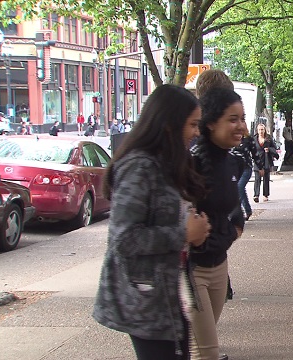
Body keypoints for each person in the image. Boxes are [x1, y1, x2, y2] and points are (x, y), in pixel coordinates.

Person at [93, 84, 211, 360]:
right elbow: (124, 239)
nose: (196, 132)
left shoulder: (164, 163)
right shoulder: (139, 167)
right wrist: (183, 232)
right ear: (169, 124)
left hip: (164, 294)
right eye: (192, 124)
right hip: (144, 298)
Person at [189, 87, 246, 360]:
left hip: (219, 266)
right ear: (211, 123)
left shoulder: (232, 162)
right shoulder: (191, 164)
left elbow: (231, 210)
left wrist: (234, 229)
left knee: (201, 348)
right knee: (205, 352)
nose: (241, 126)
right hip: (192, 270)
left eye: (242, 118)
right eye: (232, 119)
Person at [232, 127, 257, 220]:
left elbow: (255, 154)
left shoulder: (248, 140)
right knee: (234, 189)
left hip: (246, 167)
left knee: (239, 187)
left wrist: (260, 167)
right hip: (234, 168)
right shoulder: (231, 138)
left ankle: (247, 210)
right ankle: (237, 213)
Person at [253, 123, 278, 203]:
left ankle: (265, 195)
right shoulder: (254, 139)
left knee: (266, 178)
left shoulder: (269, 138)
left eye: (262, 129)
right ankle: (256, 195)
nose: (260, 131)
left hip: (266, 160)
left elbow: (275, 148)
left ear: (265, 130)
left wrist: (269, 149)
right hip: (258, 161)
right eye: (259, 130)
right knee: (257, 179)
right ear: (257, 130)